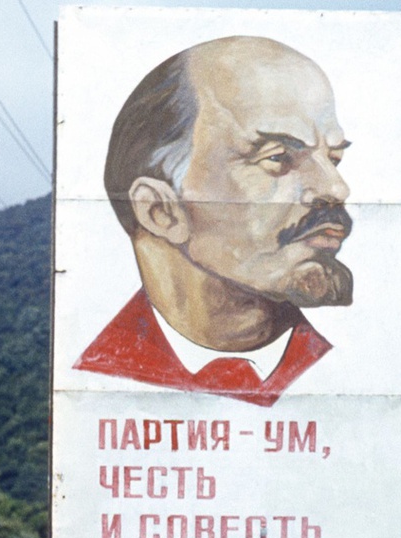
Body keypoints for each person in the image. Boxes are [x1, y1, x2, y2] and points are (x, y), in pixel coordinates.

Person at [74, 35, 353, 407]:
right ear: (160, 209)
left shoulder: (351, 378)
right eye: (278, 158)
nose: (336, 188)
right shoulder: (95, 386)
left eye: (333, 158)